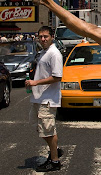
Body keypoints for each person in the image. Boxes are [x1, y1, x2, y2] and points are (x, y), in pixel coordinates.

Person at [25, 26, 63, 172]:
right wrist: (32, 82)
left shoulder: (54, 54)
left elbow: (57, 76)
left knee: (48, 130)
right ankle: (55, 150)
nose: (43, 39)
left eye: (46, 36)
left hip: (48, 99)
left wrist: (36, 82)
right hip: (38, 98)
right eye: (40, 37)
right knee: (42, 129)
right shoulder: (43, 52)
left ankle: (54, 161)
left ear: (51, 36)